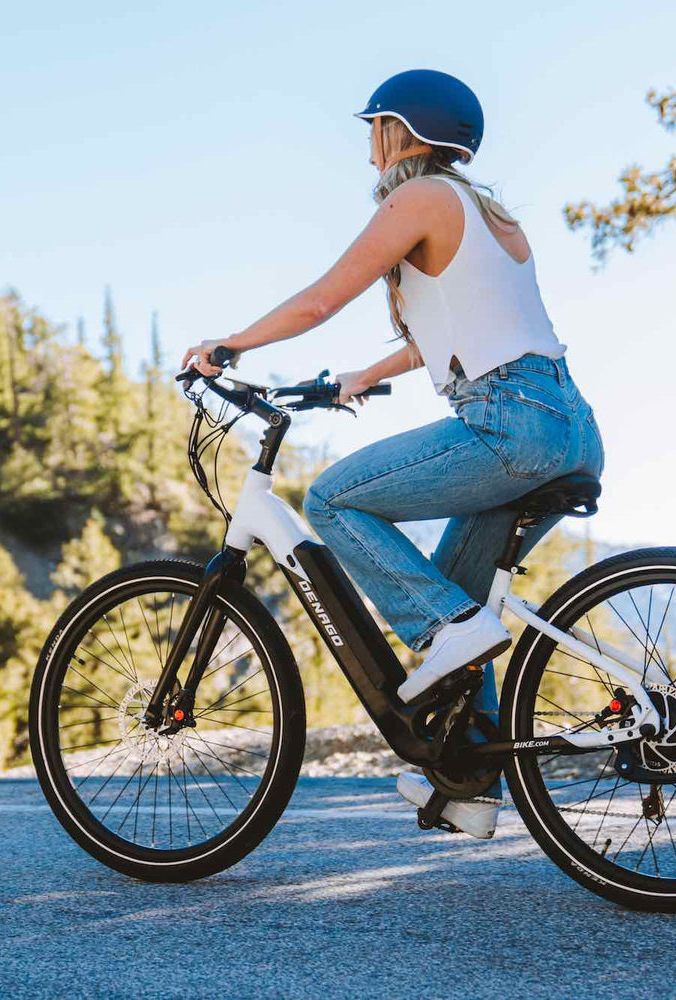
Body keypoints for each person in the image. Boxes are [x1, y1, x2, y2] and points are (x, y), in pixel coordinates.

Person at [181, 69, 604, 839]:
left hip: (508, 421)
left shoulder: (420, 198)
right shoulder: (487, 212)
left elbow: (319, 300)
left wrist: (228, 345)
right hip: (565, 421)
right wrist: (365, 376)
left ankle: (444, 634)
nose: (368, 145)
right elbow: (467, 324)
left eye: (373, 127)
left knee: (334, 500)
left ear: (398, 131)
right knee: (464, 609)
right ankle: (469, 786)